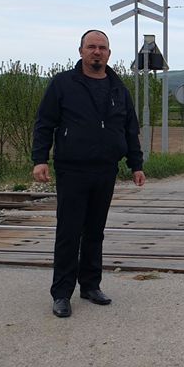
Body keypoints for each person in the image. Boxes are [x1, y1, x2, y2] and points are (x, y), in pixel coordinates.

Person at [32, 29, 146, 318]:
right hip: (72, 168)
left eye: (102, 48)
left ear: (109, 53)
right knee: (69, 232)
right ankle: (61, 293)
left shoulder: (118, 89)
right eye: (92, 47)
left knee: (95, 231)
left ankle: (91, 285)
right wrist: (40, 159)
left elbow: (130, 129)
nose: (97, 52)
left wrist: (136, 165)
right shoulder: (63, 84)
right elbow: (45, 122)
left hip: (105, 169)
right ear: (81, 51)